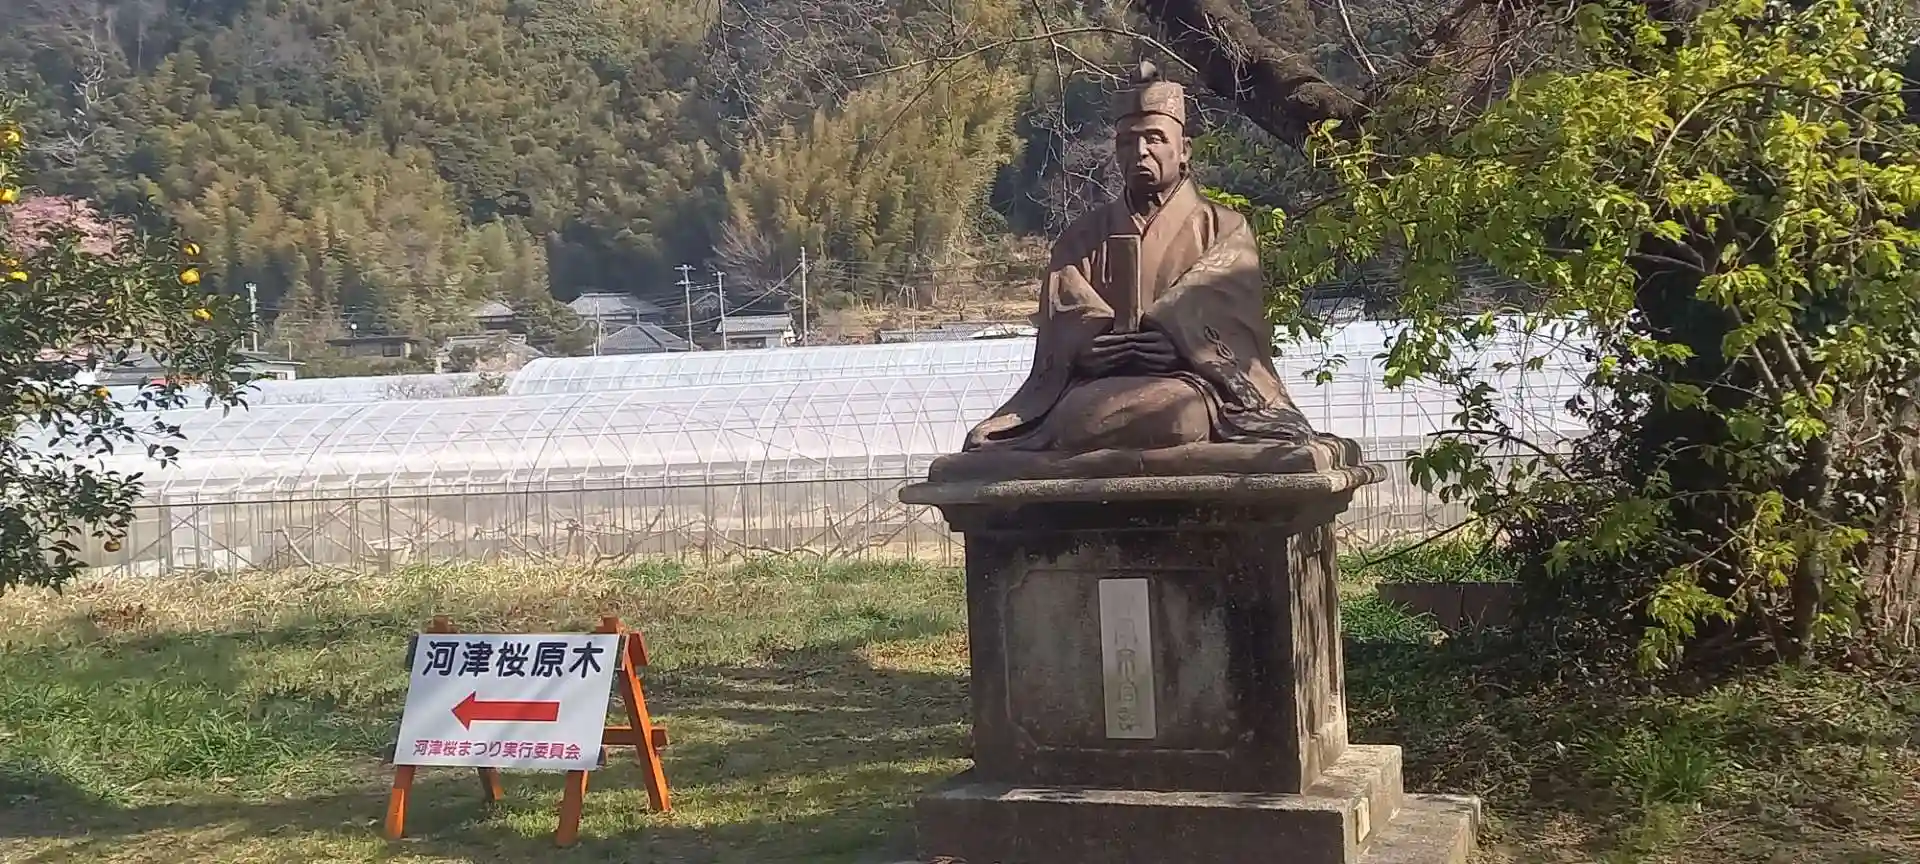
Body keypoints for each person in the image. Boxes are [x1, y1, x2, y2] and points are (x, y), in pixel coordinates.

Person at [963, 61, 1314, 454]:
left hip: (1189, 384)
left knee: (1175, 414)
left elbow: (1231, 319)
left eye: (1154, 139)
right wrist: (1090, 346)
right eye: (1127, 142)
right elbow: (1065, 313)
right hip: (1099, 386)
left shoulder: (1225, 229)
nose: (1140, 152)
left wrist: (1178, 345)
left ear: (1184, 150)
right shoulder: (1081, 238)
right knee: (1081, 415)